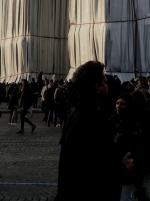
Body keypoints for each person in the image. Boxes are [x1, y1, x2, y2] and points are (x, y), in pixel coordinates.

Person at [56, 61, 133, 201]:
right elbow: (95, 172)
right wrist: (122, 169)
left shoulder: (76, 115)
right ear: (97, 88)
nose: (107, 85)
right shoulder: (92, 121)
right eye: (105, 83)